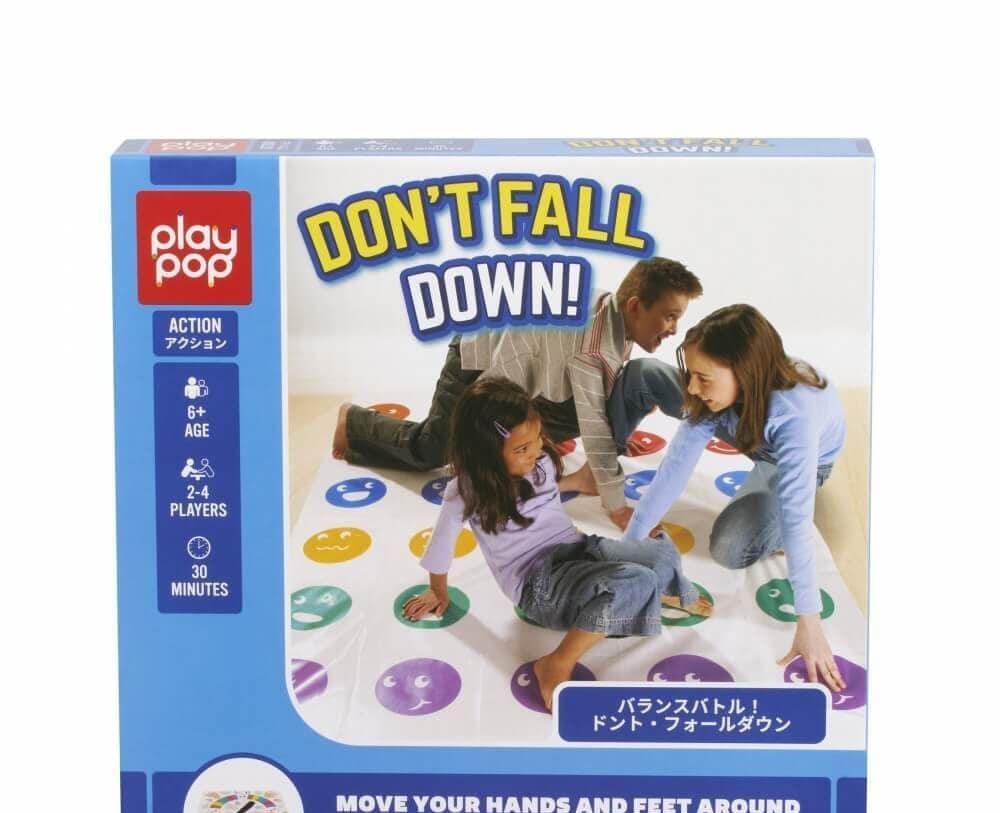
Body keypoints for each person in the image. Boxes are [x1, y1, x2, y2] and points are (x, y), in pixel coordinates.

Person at [402, 377, 712, 711]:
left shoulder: (542, 461)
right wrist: (438, 590)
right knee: (638, 581)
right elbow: (442, 543)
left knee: (661, 550)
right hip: (537, 584)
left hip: (577, 547)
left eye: (537, 439)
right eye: (522, 449)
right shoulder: (468, 491)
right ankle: (557, 661)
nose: (535, 451)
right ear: (486, 454)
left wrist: (575, 483)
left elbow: (541, 493)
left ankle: (658, 593)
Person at [332, 257, 703, 531]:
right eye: (670, 316)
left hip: (528, 368)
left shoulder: (614, 315)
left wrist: (620, 420)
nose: (674, 329)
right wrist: (617, 506)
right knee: (434, 450)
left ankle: (518, 449)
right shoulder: (591, 346)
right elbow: (592, 424)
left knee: (593, 410)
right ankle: (354, 421)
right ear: (635, 306)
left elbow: (601, 392)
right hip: (478, 359)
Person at [622, 303, 847, 692]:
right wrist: (629, 547)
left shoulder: (794, 418)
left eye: (703, 378)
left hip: (796, 458)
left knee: (730, 548)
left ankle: (778, 505)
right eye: (690, 375)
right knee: (647, 377)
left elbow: (797, 521)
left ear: (743, 372)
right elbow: (673, 470)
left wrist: (809, 622)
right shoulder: (716, 395)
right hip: (749, 426)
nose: (692, 388)